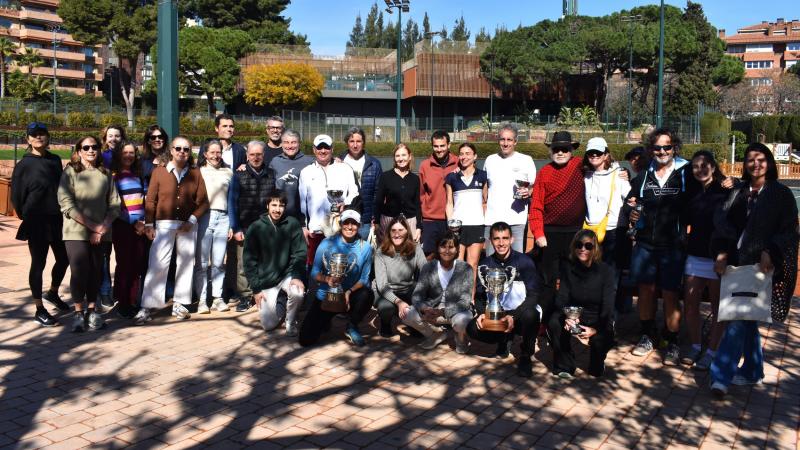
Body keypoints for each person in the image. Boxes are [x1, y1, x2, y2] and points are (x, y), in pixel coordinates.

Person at [709, 143, 799, 397]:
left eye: (760, 159)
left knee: (738, 317)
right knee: (746, 318)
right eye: (750, 160)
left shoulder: (780, 193)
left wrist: (771, 250)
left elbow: (789, 230)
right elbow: (722, 223)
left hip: (762, 266)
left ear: (769, 162)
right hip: (736, 264)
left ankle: (720, 376)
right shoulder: (738, 191)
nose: (755, 164)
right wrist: (721, 252)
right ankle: (752, 370)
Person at [626, 128, 694, 365]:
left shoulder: (685, 172)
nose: (662, 151)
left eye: (667, 147)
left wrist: (729, 182)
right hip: (645, 244)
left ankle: (672, 340)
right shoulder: (645, 174)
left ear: (674, 148)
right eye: (657, 147)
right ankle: (647, 334)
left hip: (672, 246)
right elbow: (631, 201)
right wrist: (632, 212)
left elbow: (707, 190)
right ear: (651, 149)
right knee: (645, 290)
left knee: (670, 293)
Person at [137, 136, 209, 324]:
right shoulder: (159, 172)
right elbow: (150, 200)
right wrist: (149, 224)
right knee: (157, 264)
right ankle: (147, 306)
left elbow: (203, 202)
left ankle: (180, 303)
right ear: (171, 150)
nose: (182, 152)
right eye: (178, 148)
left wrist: (192, 220)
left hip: (187, 225)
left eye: (186, 149)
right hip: (164, 224)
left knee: (185, 264)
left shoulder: (195, 173)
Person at [58, 135, 120, 332]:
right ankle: (78, 312)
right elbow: (66, 204)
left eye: (94, 147)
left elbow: (115, 204)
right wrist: (93, 227)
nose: (91, 150)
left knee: (95, 271)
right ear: (79, 151)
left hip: (101, 232)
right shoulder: (70, 172)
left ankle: (92, 311)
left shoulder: (106, 173)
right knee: (79, 271)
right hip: (75, 232)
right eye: (86, 147)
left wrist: (103, 227)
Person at [11, 122, 70, 326]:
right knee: (39, 263)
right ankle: (39, 308)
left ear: (48, 137)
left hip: (57, 219)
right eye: (34, 134)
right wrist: (27, 215)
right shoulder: (23, 165)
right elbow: (16, 197)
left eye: (42, 134)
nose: (38, 137)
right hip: (36, 221)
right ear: (27, 139)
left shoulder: (54, 160)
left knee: (64, 259)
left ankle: (52, 292)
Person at [467, 222, 541, 377]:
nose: (501, 243)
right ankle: (503, 339)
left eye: (505, 238)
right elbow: (480, 297)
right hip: (497, 315)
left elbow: (534, 296)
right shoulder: (485, 264)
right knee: (472, 328)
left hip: (520, 314)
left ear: (512, 239)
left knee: (531, 315)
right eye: (497, 239)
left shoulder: (525, 261)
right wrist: (481, 313)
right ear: (490, 241)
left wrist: (513, 316)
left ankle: (526, 355)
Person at [680, 150, 731, 370]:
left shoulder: (725, 190)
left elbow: (732, 226)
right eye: (695, 166)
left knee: (718, 307)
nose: (699, 170)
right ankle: (695, 346)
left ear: (713, 166)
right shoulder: (692, 191)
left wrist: (724, 253)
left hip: (717, 257)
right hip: (695, 254)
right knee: (690, 304)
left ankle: (712, 351)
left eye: (704, 165)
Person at [529, 131, 586, 322]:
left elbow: (603, 164)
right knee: (548, 281)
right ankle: (544, 322)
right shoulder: (544, 172)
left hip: (575, 234)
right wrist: (538, 233)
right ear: (551, 151)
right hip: (549, 234)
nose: (560, 152)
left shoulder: (581, 165)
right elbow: (536, 206)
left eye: (565, 149)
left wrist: (623, 172)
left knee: (573, 279)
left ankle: (569, 320)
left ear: (571, 150)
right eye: (556, 149)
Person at [299, 209, 374, 347]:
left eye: (354, 223)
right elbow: (314, 272)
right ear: (340, 224)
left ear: (359, 226)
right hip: (326, 295)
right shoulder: (326, 243)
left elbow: (364, 279)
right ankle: (326, 320)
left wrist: (348, 292)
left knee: (367, 294)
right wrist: (327, 279)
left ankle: (352, 325)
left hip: (349, 297)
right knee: (305, 340)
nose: (350, 227)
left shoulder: (366, 248)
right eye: (346, 223)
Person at [548, 230, 616, 378]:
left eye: (588, 246)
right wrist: (568, 317)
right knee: (554, 322)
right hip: (575, 315)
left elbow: (608, 307)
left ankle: (598, 360)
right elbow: (561, 298)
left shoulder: (606, 272)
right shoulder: (568, 268)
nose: (583, 249)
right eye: (579, 245)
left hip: (598, 317)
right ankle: (564, 365)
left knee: (595, 371)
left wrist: (596, 329)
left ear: (595, 248)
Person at [244, 190, 307, 336]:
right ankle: (282, 300)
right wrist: (256, 289)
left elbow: (300, 253)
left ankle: (291, 321)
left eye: (281, 205)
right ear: (267, 206)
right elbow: (249, 261)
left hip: (287, 275)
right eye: (274, 205)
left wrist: (297, 276)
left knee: (298, 292)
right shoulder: (255, 228)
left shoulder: (292, 223)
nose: (277, 209)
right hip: (266, 281)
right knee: (268, 325)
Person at [402, 232, 473, 353]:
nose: (447, 251)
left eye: (451, 247)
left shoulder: (465, 268)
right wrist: (424, 308)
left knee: (463, 320)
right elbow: (417, 295)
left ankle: (460, 338)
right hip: (432, 309)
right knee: (407, 314)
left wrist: (443, 311)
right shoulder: (429, 267)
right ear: (437, 248)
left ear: (457, 249)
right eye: (443, 246)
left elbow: (465, 301)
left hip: (455, 310)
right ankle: (435, 334)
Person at [227, 141, 277, 312]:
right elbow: (232, 202)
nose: (256, 157)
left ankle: (263, 293)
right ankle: (245, 296)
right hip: (244, 226)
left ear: (264, 155)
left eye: (259, 154)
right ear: (247, 155)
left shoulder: (271, 174)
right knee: (243, 264)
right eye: (252, 154)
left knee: (264, 261)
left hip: (265, 227)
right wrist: (236, 227)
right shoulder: (238, 175)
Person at [298, 134, 359, 267]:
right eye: (319, 148)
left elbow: (355, 192)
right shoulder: (306, 172)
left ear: (332, 149)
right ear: (314, 149)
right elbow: (302, 202)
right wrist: (304, 226)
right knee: (315, 269)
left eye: (326, 147)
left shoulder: (345, 168)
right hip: (315, 231)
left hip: (340, 230)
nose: (323, 151)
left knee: (339, 268)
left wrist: (346, 203)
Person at [483, 124, 537, 255]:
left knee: (516, 261)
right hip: (492, 220)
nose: (505, 143)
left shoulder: (526, 160)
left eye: (509, 140)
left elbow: (533, 186)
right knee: (491, 260)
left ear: (515, 141)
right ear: (498, 140)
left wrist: (528, 192)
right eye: (502, 139)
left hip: (516, 220)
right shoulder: (490, 160)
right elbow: (485, 186)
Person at [194, 139, 233, 314]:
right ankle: (202, 300)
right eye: (212, 152)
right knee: (202, 263)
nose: (216, 156)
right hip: (204, 217)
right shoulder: (198, 172)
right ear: (205, 154)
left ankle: (217, 297)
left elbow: (232, 199)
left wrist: (232, 224)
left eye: (219, 152)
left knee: (218, 262)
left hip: (223, 218)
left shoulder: (228, 172)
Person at [373, 216, 427, 337]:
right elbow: (382, 286)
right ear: (389, 233)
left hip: (406, 288)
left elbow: (426, 271)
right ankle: (385, 323)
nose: (397, 234)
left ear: (407, 232)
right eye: (393, 230)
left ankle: (413, 323)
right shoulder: (380, 252)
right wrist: (399, 302)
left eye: (400, 230)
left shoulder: (416, 248)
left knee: (423, 293)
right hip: (384, 291)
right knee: (386, 308)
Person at [110, 141, 147, 319]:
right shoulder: (114, 177)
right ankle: (122, 302)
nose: (128, 156)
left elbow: (143, 199)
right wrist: (134, 223)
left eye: (132, 153)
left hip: (140, 227)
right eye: (125, 152)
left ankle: (132, 301)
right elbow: (116, 206)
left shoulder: (138, 176)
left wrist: (143, 222)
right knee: (124, 265)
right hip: (123, 226)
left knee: (136, 264)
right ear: (119, 154)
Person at [583, 137, 631, 267]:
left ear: (606, 155)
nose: (594, 155)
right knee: (591, 268)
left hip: (613, 230)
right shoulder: (585, 175)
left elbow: (630, 197)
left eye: (598, 152)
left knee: (610, 269)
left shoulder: (619, 174)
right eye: (591, 152)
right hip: (591, 229)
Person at [97, 124, 128, 311]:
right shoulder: (101, 157)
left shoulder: (128, 156)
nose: (114, 139)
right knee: (105, 254)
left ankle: (123, 291)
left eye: (117, 135)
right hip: (108, 211)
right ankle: (105, 291)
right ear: (105, 138)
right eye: (110, 135)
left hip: (126, 212)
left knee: (124, 254)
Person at [445, 142, 487, 272]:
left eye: (468, 153)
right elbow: (449, 203)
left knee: (472, 265)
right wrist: (451, 224)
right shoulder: (451, 177)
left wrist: (484, 223)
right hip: (458, 227)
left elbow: (485, 201)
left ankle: (471, 287)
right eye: (461, 154)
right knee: (457, 265)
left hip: (477, 226)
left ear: (475, 156)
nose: (464, 157)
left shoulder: (483, 176)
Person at [419, 130, 458, 258]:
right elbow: (421, 193)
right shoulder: (425, 165)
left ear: (449, 145)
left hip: (452, 219)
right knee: (429, 257)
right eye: (436, 146)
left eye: (442, 146)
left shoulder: (458, 163)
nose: (439, 149)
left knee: (450, 256)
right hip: (430, 220)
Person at [373, 143, 421, 243]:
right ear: (394, 158)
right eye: (397, 156)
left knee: (409, 251)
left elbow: (417, 204)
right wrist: (377, 223)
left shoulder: (415, 179)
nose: (401, 158)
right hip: (388, 222)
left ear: (409, 157)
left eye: (404, 155)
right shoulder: (385, 177)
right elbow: (378, 201)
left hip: (410, 222)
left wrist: (419, 227)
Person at [340, 127, 382, 239]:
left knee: (364, 250)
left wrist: (375, 218)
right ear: (347, 143)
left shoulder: (374, 164)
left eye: (358, 141)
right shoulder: (338, 162)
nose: (355, 145)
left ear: (363, 143)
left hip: (365, 221)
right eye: (351, 141)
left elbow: (378, 194)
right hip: (344, 220)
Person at [269, 129, 313, 222]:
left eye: (293, 142)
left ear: (299, 143)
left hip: (303, 217)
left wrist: (334, 160)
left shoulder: (309, 161)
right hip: (279, 214)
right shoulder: (275, 161)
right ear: (281, 144)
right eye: (286, 142)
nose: (289, 146)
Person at [141, 125, 169, 194]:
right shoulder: (142, 161)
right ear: (148, 141)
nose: (157, 139)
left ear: (164, 139)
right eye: (153, 137)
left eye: (160, 137)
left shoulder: (172, 158)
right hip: (149, 197)